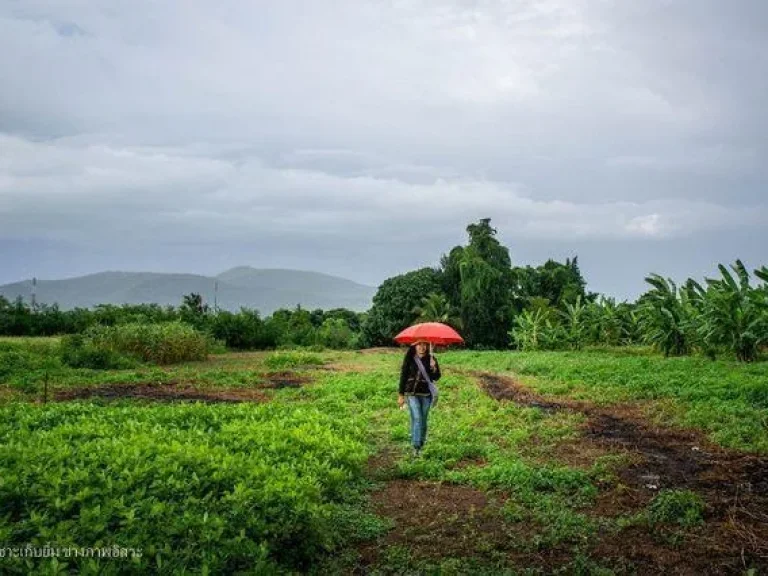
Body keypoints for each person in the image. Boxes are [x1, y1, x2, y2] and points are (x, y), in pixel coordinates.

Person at [398, 340, 441, 456]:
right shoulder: (410, 357)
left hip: (426, 394)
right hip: (411, 393)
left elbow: (436, 377)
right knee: (417, 418)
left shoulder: (431, 358)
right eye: (419, 344)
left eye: (424, 344)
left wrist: (434, 367)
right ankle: (416, 447)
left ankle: (421, 443)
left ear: (427, 346)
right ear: (415, 346)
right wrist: (401, 394)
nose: (422, 347)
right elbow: (403, 375)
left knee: (423, 419)